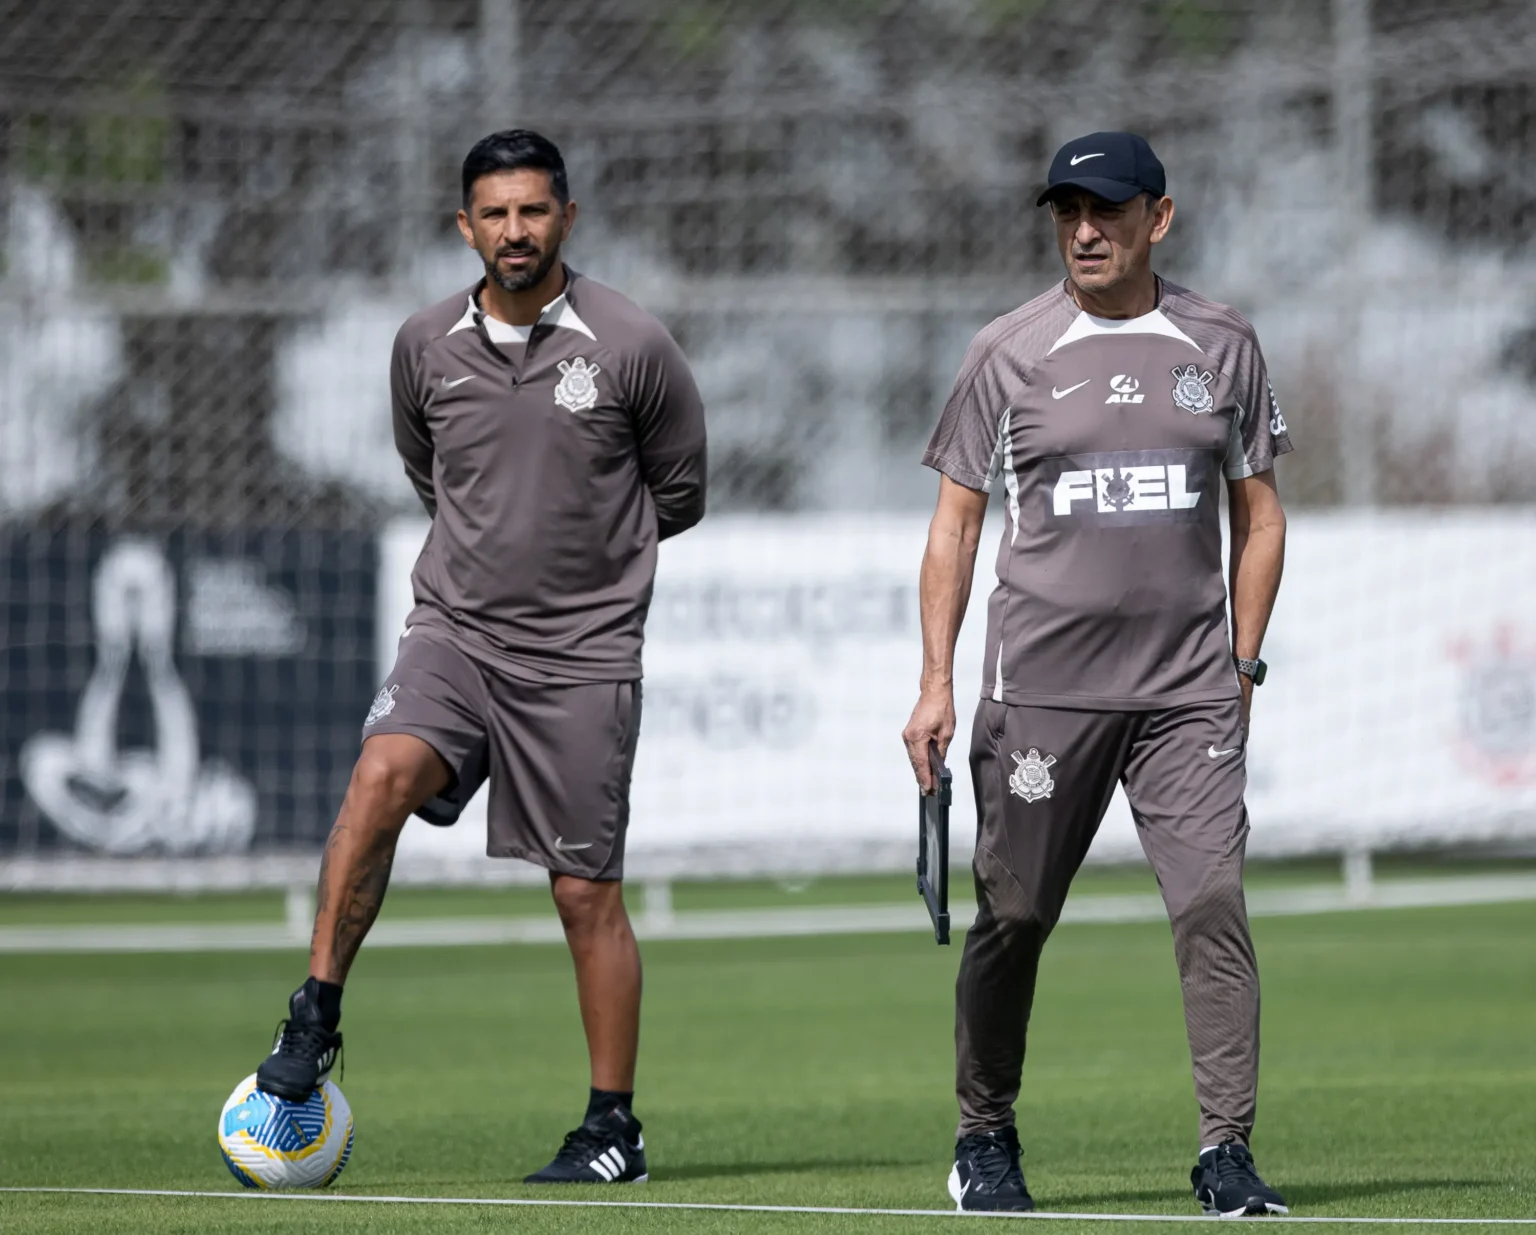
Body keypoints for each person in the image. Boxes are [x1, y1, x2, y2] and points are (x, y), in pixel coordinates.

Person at [251, 129, 707, 1185]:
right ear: (466, 226)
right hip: (454, 631)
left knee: (581, 891)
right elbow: (432, 473)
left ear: (568, 219)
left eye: (534, 211)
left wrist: (586, 571)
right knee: (380, 773)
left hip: (583, 655)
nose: (515, 231)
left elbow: (679, 489)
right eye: (495, 214)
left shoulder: (631, 342)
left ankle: (611, 1127)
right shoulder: (422, 344)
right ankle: (314, 1015)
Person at [902, 131, 1291, 1216]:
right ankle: (984, 1133)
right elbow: (954, 527)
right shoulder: (1008, 349)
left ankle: (1226, 1151)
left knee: (1212, 899)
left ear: (1157, 219)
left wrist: (1243, 664)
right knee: (1014, 914)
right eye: (1067, 210)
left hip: (1187, 697)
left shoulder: (1224, 341)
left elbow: (1260, 517)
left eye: (1107, 210)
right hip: (1041, 698)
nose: (1084, 230)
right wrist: (935, 683)